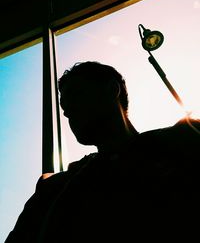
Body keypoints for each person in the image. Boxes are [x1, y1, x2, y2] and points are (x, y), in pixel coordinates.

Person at [5, 61, 200, 242]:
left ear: (112, 89)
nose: (67, 112)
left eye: (76, 95)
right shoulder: (54, 186)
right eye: (63, 107)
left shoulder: (184, 139)